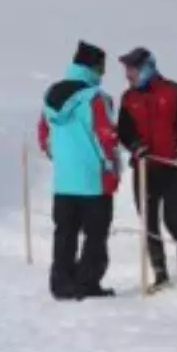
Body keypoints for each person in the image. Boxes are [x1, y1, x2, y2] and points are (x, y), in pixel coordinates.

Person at [116, 48, 177, 286]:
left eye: (132, 69)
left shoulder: (175, 91)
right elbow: (123, 130)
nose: (128, 75)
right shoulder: (128, 98)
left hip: (171, 167)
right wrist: (135, 145)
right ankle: (160, 273)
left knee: (172, 218)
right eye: (127, 70)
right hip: (144, 169)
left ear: (147, 67)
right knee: (149, 222)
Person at [37, 41, 120, 300]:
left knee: (65, 233)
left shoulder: (51, 95)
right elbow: (105, 138)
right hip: (93, 180)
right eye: (101, 68)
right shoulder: (95, 97)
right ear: (93, 67)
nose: (103, 73)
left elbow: (44, 136)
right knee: (95, 235)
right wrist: (112, 171)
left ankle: (61, 283)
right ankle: (87, 283)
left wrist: (62, 158)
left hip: (63, 181)